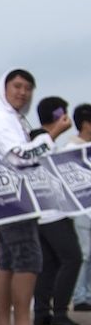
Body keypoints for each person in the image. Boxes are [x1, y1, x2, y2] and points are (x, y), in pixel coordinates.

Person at [0, 69, 55, 325]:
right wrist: (52, 134)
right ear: (4, 87)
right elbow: (18, 156)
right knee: (28, 258)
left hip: (5, 198)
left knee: (8, 261)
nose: (22, 93)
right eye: (17, 86)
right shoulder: (1, 117)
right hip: (12, 198)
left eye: (28, 88)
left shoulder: (12, 117)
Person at [28, 96, 82, 325]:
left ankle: (42, 311)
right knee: (72, 258)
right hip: (53, 212)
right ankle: (60, 311)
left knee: (49, 263)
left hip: (41, 213)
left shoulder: (35, 138)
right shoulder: (42, 140)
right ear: (58, 114)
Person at [68, 104, 91, 313]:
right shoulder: (71, 148)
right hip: (80, 210)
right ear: (85, 124)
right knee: (84, 253)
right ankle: (80, 297)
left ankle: (88, 295)